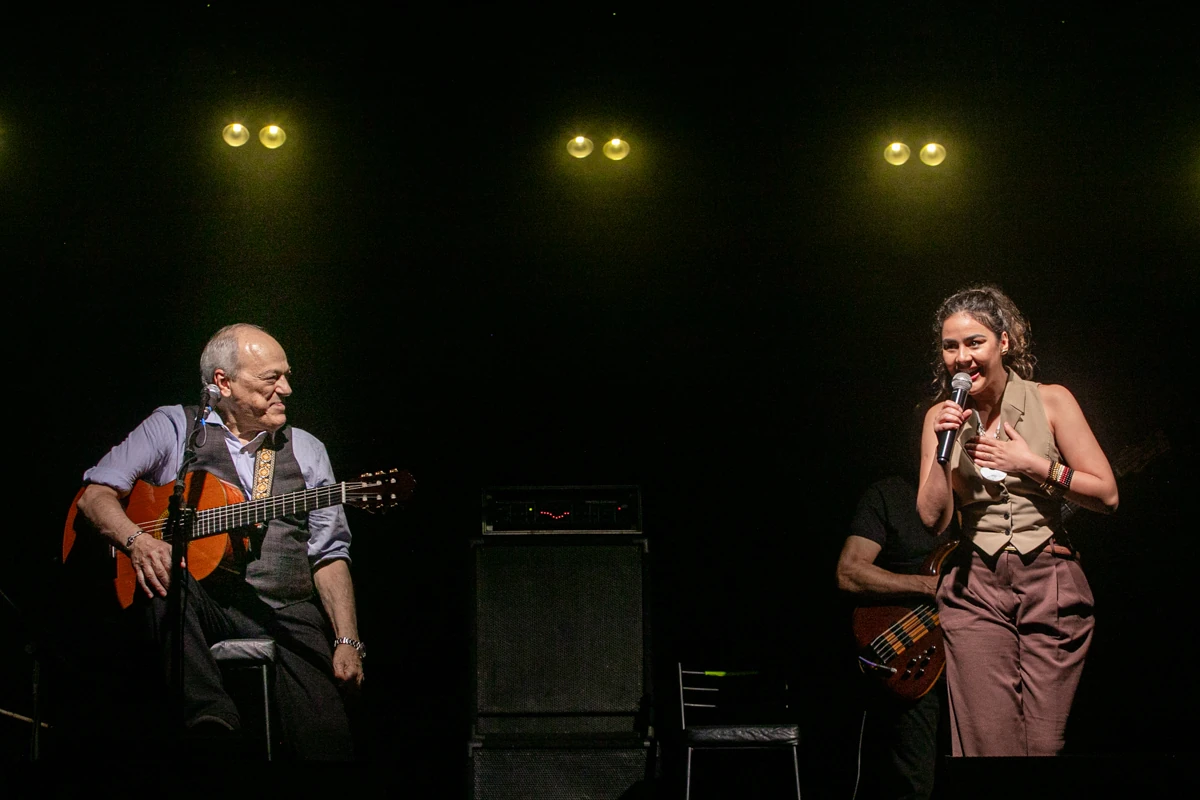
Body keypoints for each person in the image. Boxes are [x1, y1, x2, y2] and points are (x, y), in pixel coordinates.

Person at [74, 323, 364, 760]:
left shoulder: (307, 449)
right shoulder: (174, 426)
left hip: (285, 611)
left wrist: (348, 639)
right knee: (160, 574)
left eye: (286, 376)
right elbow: (94, 496)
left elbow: (329, 555)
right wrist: (136, 540)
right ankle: (210, 720)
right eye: (270, 378)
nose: (285, 389)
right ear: (223, 383)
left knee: (326, 743)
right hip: (202, 604)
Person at [916, 285, 1118, 757]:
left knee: (1043, 745)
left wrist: (1032, 464)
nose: (962, 358)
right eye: (950, 346)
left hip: (1050, 580)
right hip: (975, 588)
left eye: (975, 342)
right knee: (990, 744)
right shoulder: (939, 418)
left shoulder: (1052, 400)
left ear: (1003, 342)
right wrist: (944, 449)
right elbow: (932, 519)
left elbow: (1107, 495)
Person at [837, 471, 947, 800]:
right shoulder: (889, 495)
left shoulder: (984, 499)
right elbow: (848, 572)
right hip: (915, 653)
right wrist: (926, 585)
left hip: (980, 649)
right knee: (916, 781)